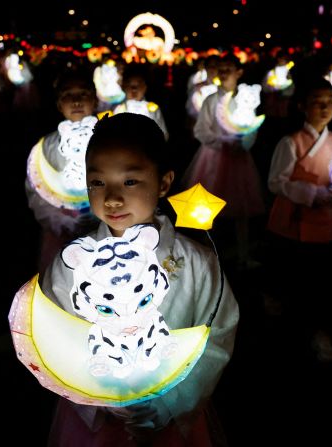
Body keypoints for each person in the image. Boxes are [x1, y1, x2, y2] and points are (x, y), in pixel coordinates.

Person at [40, 113, 239, 445]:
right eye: (98, 182)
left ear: (163, 182)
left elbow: (216, 336)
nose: (112, 198)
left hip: (170, 417)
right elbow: (56, 331)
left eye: (130, 181)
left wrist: (171, 403)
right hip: (100, 420)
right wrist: (96, 397)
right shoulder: (73, 265)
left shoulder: (195, 262)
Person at [266, 77, 332, 362]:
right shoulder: (291, 142)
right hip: (295, 219)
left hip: (328, 221)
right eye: (317, 102)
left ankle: (319, 331)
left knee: (323, 280)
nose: (325, 108)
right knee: (296, 275)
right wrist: (312, 192)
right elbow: (276, 182)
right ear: (302, 106)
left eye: (330, 102)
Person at [184, 54, 265, 269]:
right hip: (213, 158)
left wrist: (244, 142)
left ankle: (243, 253)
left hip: (238, 160)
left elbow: (252, 127)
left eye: (229, 67)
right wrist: (222, 142)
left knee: (241, 208)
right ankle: (208, 254)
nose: (224, 71)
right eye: (221, 68)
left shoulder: (245, 98)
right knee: (208, 206)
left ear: (239, 72)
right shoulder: (211, 99)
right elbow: (201, 130)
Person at [25, 69, 100, 271]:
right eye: (68, 95)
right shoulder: (46, 147)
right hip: (63, 230)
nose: (76, 101)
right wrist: (61, 222)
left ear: (95, 100)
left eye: (83, 94)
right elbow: (37, 188)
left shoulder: (109, 140)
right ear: (59, 104)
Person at [113, 65, 169, 140]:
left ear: (145, 87)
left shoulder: (153, 109)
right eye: (129, 85)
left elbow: (163, 134)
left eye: (138, 84)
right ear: (123, 87)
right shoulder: (118, 109)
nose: (134, 89)